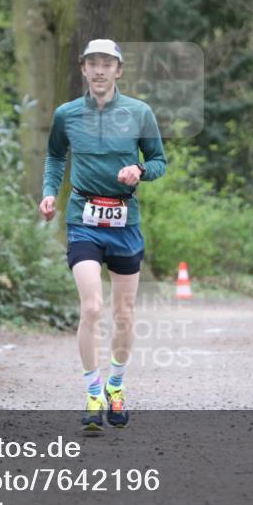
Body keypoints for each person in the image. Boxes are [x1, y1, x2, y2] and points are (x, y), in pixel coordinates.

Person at [38, 38, 167, 432]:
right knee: (92, 307)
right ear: (83, 69)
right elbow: (56, 156)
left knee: (124, 314)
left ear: (118, 70)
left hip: (125, 222)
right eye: (92, 63)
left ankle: (115, 386)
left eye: (106, 64)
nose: (98, 70)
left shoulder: (139, 113)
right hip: (83, 219)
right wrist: (48, 192)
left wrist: (140, 172)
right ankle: (92, 392)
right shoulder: (67, 115)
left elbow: (159, 161)